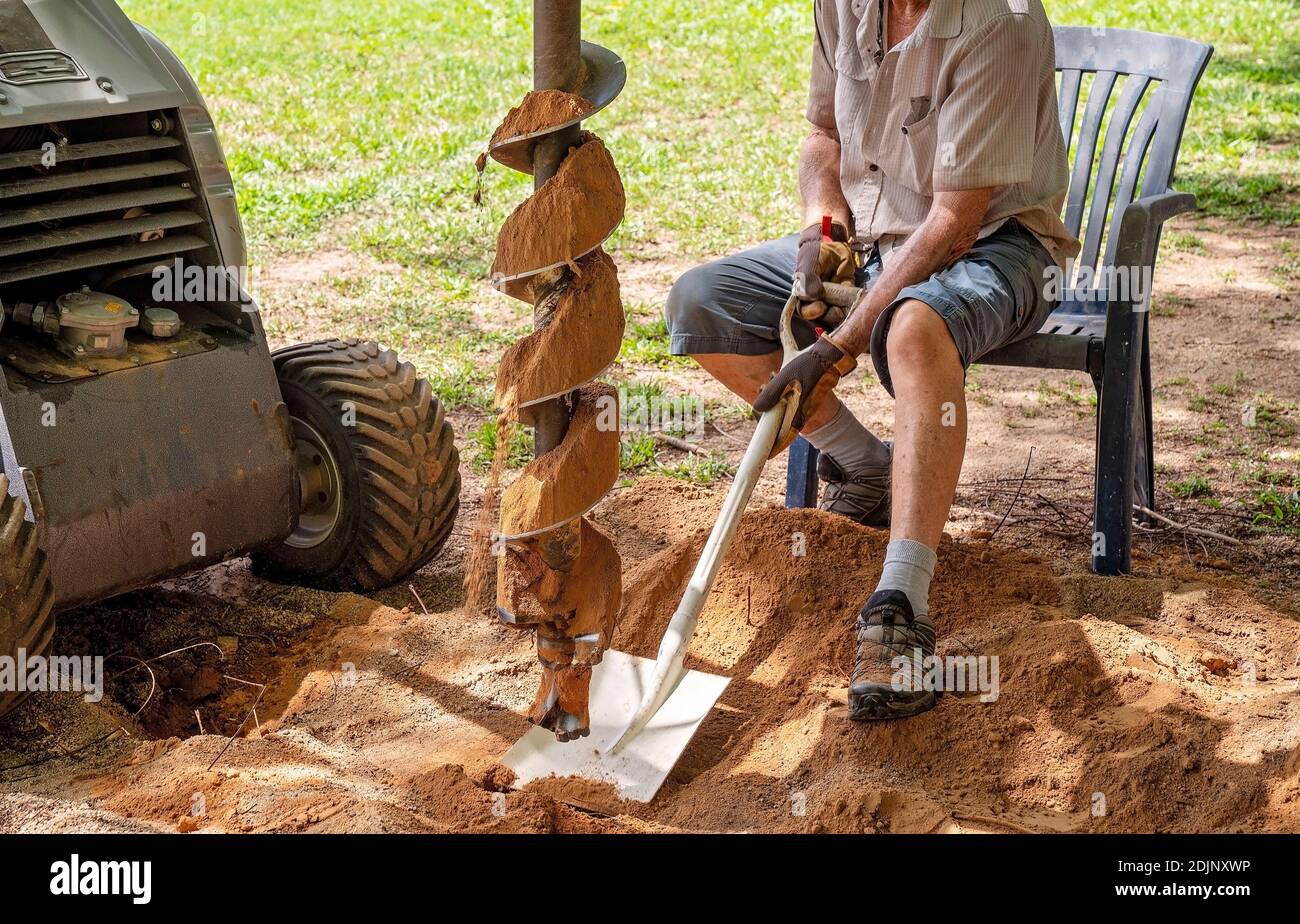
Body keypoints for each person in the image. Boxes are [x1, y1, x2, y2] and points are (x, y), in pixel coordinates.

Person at [663, 0, 1079, 720]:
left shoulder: (1000, 22)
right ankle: (864, 464)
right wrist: (822, 230)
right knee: (704, 302)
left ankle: (901, 606)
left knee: (912, 328)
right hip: (880, 240)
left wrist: (839, 340)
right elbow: (824, 134)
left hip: (1000, 249)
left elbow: (954, 222)